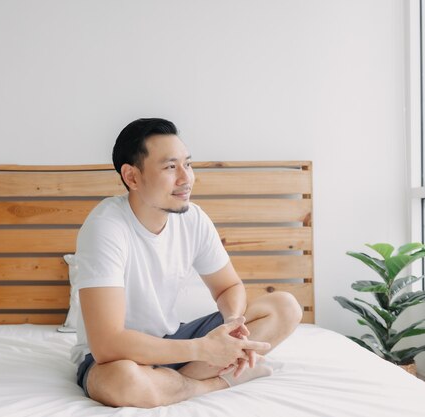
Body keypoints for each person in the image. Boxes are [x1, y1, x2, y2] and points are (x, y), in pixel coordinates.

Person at [70, 118, 302, 408]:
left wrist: (232, 326)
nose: (186, 178)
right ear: (132, 177)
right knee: (124, 381)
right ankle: (214, 383)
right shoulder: (106, 227)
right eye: (170, 167)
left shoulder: (193, 218)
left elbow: (228, 286)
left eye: (188, 164)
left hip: (173, 340)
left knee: (284, 307)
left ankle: (172, 385)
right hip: (117, 356)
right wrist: (204, 349)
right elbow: (107, 344)